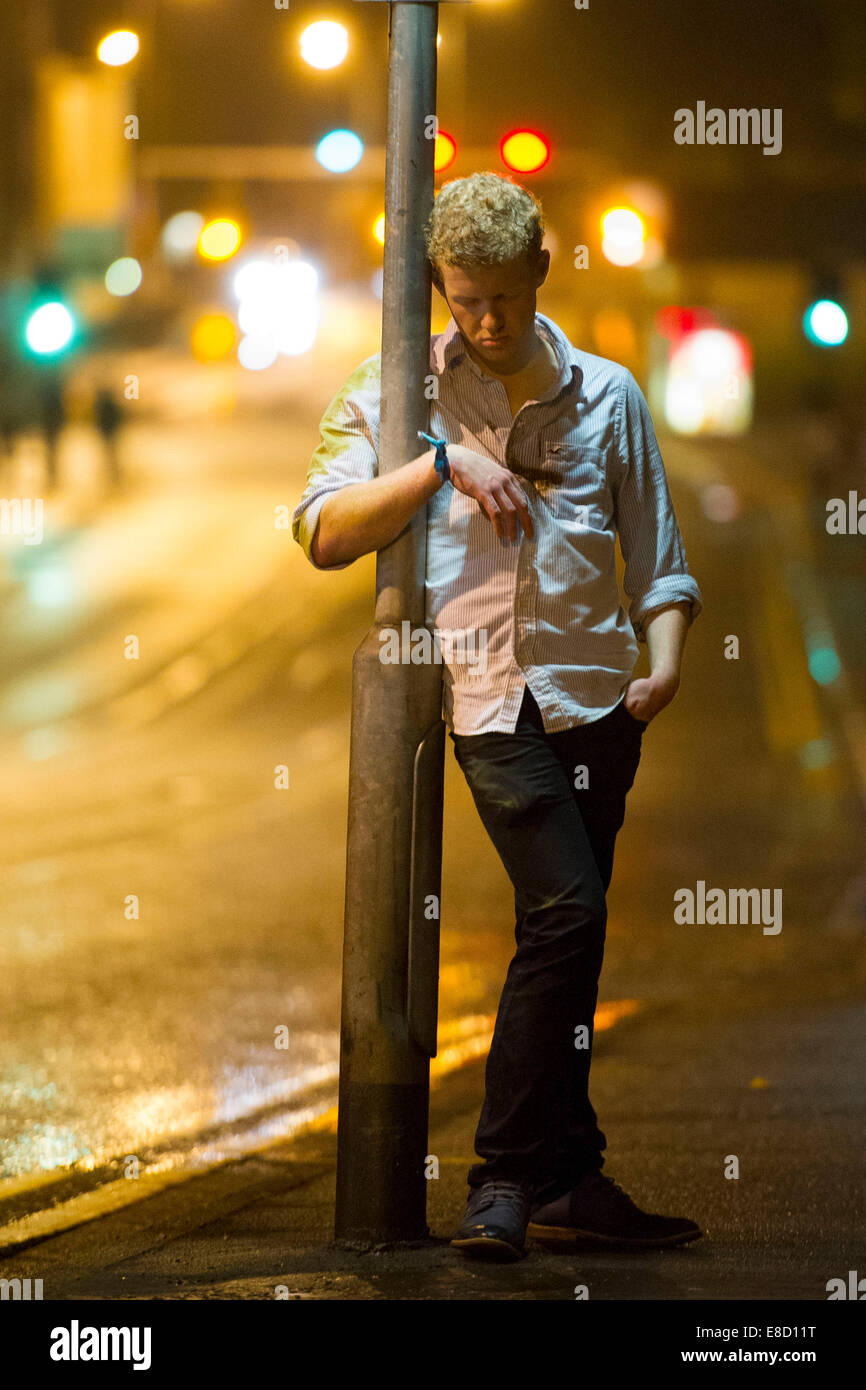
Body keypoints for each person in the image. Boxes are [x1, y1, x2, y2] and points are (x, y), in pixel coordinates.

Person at [292, 171, 703, 1261]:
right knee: (568, 914)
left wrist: (659, 671)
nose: (483, 323)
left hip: (601, 703)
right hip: (488, 697)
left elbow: (659, 565)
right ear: (439, 287)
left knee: (561, 937)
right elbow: (324, 531)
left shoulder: (609, 394)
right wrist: (439, 463)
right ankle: (503, 1177)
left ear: (540, 273)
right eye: (462, 301)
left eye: (503, 301)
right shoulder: (400, 388)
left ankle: (570, 1171)